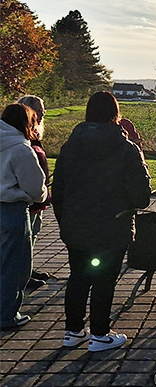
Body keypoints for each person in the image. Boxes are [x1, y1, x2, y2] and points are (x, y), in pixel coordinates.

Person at [52, 91, 151, 351]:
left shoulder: (69, 146)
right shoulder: (126, 149)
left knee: (78, 277)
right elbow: (141, 198)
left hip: (75, 226)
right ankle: (99, 334)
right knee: (104, 280)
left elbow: (57, 190)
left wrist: (65, 221)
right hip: (112, 226)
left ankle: (73, 331)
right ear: (115, 114)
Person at [0, 103, 48, 330]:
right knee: (15, 266)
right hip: (11, 210)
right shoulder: (21, 149)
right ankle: (7, 314)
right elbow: (36, 191)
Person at [17, 95, 53, 289]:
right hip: (26, 198)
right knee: (24, 239)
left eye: (43, 110)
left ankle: (27, 269)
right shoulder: (21, 137)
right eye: (38, 110)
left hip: (37, 197)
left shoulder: (34, 133)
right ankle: (22, 275)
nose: (42, 113)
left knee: (33, 235)